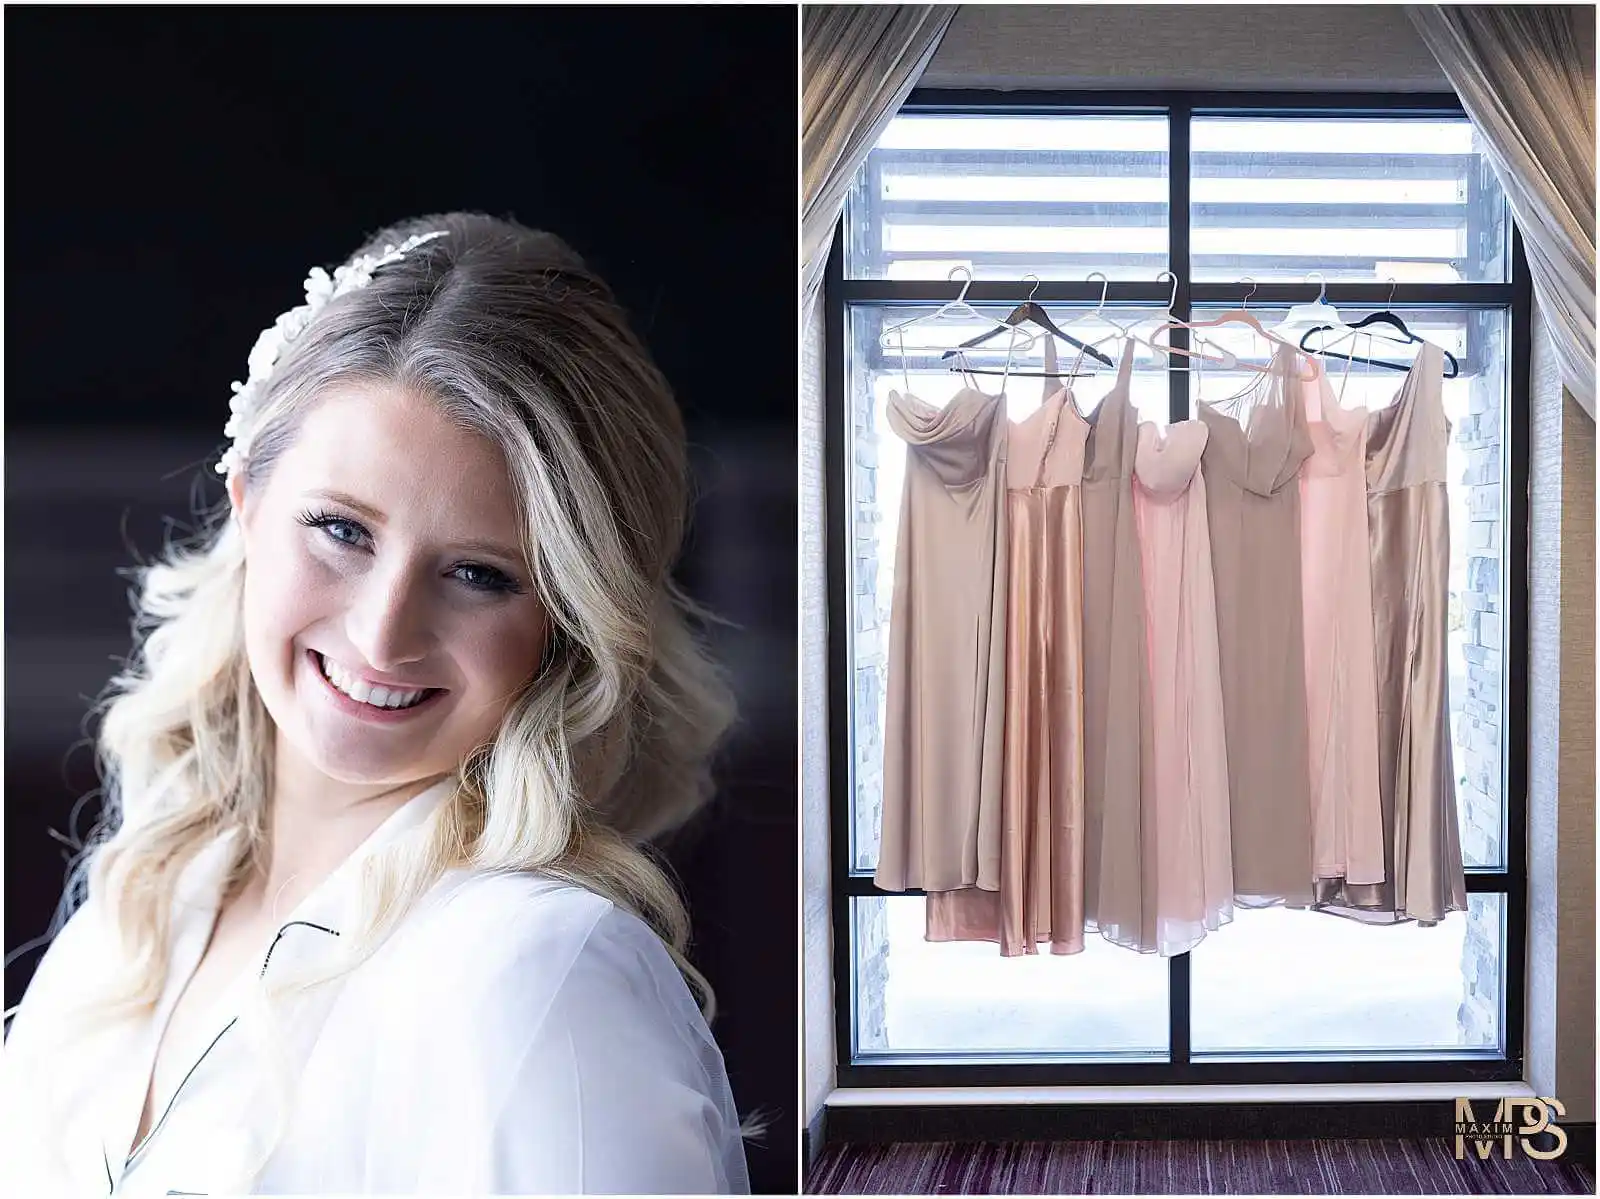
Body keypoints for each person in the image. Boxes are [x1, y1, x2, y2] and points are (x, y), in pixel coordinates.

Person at [0, 213, 751, 1195]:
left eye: (480, 573)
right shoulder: (141, 909)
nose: (382, 632)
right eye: (342, 530)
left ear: (567, 623)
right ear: (247, 505)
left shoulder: (539, 978)